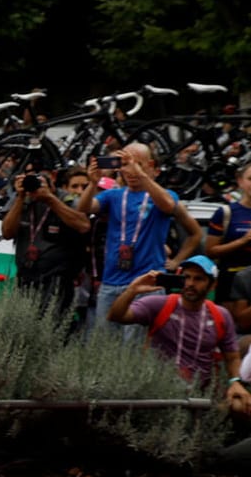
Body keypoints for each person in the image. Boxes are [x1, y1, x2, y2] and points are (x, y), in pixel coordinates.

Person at [77, 144, 201, 337]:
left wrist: (176, 262)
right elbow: (84, 208)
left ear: (151, 165)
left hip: (146, 283)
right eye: (125, 164)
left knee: (134, 350)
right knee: (102, 348)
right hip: (111, 282)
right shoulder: (114, 195)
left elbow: (169, 207)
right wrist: (92, 183)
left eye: (137, 164)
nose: (131, 170)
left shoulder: (163, 195)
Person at [106, 257, 246, 395]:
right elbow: (116, 316)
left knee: (241, 405)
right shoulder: (159, 304)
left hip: (201, 393)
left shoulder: (221, 315)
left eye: (198, 279)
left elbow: (232, 357)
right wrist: (132, 290)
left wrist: (235, 382)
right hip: (158, 390)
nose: (190, 283)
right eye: (186, 277)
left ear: (212, 285)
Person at [1, 170, 91, 318]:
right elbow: (7, 232)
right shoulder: (22, 199)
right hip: (26, 277)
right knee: (22, 325)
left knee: (51, 325)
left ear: (53, 185)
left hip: (56, 280)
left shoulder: (64, 199)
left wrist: (50, 198)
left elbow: (83, 225)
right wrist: (20, 197)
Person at [203, 162, 251, 304]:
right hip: (230, 285)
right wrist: (243, 240)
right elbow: (210, 251)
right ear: (240, 181)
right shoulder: (226, 213)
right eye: (250, 179)